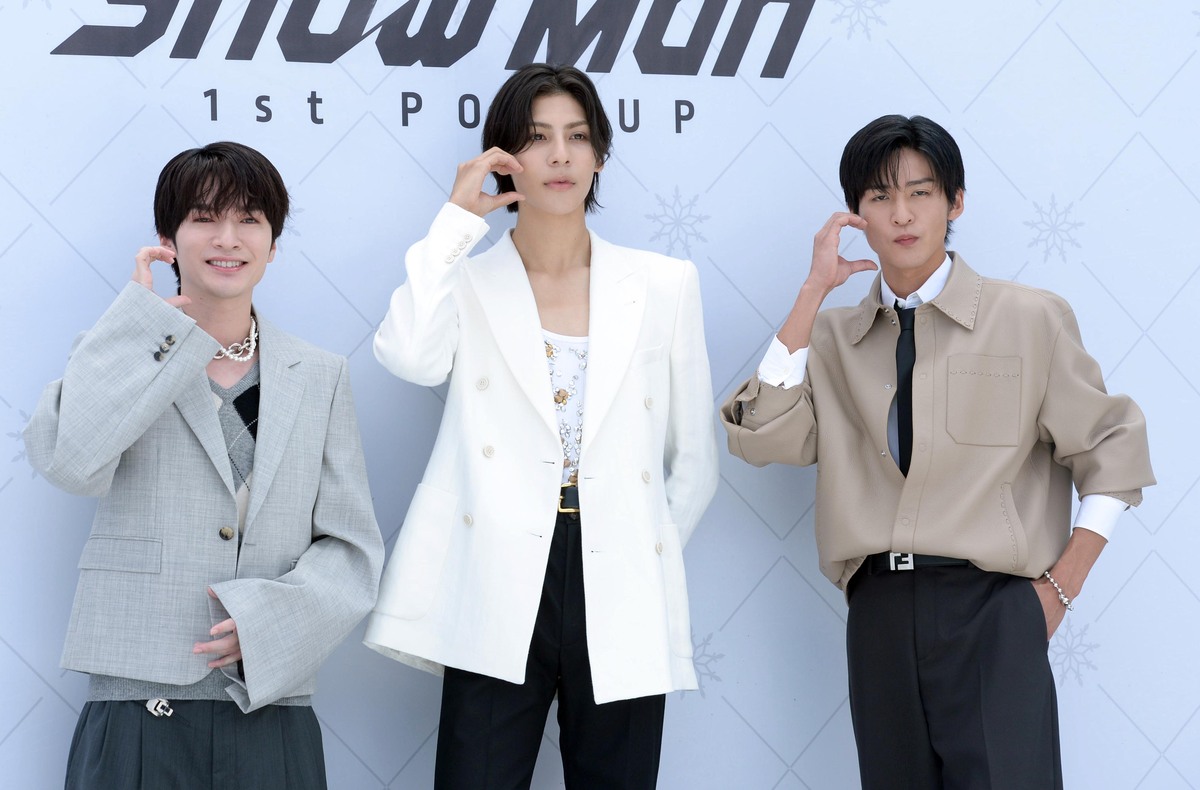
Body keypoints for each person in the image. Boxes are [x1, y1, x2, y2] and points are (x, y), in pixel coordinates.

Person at [720, 115, 1154, 789]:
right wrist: (812, 293)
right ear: (856, 213)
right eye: (880, 196)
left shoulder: (1029, 318)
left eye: (920, 193)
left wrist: (1058, 591)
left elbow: (1113, 447)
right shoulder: (831, 340)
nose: (901, 214)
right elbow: (761, 436)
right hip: (879, 615)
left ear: (955, 202)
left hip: (994, 609)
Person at [363, 63, 719, 789]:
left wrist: (632, 549)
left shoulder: (663, 285)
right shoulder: (466, 281)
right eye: (537, 137)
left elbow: (694, 462)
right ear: (504, 158)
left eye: (577, 137)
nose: (560, 156)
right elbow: (406, 355)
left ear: (600, 155)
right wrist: (455, 222)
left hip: (619, 581)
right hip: (496, 577)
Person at [25, 141, 384, 789]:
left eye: (249, 219)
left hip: (268, 703)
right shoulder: (122, 351)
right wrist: (137, 331)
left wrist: (268, 624)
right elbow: (69, 462)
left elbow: (351, 549)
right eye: (204, 218)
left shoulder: (319, 375)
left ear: (272, 245)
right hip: (137, 702)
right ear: (167, 239)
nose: (227, 238)